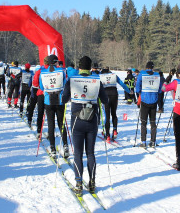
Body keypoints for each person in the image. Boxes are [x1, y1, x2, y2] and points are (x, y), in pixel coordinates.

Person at [62, 56, 108, 195]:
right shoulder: (97, 80)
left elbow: (63, 99)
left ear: (79, 67)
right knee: (90, 153)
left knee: (77, 153)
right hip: (92, 120)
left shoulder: (72, 80)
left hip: (77, 120)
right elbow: (105, 100)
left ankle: (78, 183)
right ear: (90, 67)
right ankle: (92, 182)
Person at [39, 55, 69, 158]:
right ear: (56, 62)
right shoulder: (61, 71)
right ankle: (65, 146)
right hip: (60, 100)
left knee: (51, 124)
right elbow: (65, 84)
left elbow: (41, 86)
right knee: (61, 123)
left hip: (48, 100)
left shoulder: (43, 72)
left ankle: (52, 148)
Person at [135, 61, 163, 148]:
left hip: (144, 100)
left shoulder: (142, 74)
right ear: (153, 68)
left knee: (143, 122)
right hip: (154, 101)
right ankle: (153, 141)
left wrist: (140, 92)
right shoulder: (157, 75)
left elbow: (137, 87)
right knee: (153, 122)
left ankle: (143, 142)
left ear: (146, 67)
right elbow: (159, 89)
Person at [99, 67, 130, 141]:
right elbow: (122, 84)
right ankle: (115, 130)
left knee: (107, 114)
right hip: (114, 94)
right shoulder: (114, 75)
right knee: (113, 113)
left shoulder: (101, 76)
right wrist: (129, 91)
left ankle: (107, 134)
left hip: (105, 95)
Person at [30, 56, 49, 134]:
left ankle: (39, 130)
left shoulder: (40, 70)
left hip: (41, 93)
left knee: (40, 113)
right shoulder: (54, 70)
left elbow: (35, 83)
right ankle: (51, 132)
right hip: (51, 94)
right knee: (50, 114)